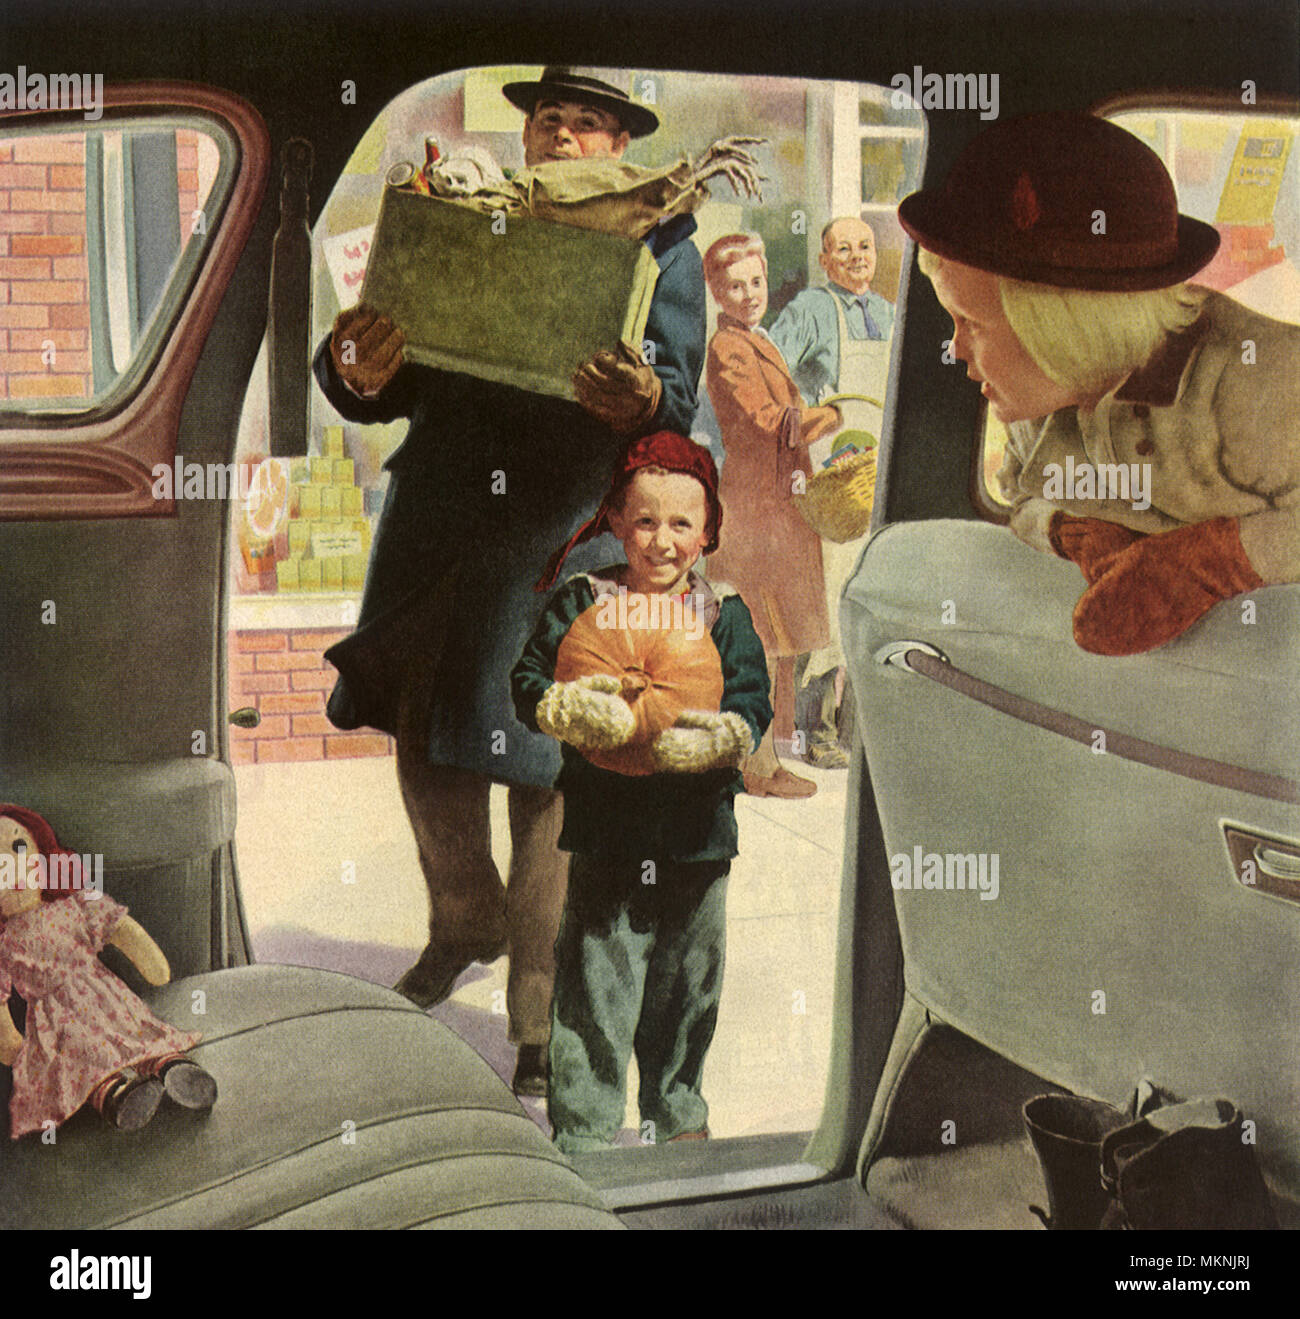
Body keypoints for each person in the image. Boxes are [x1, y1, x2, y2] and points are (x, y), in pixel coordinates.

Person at [312, 68, 707, 1097]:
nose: (562, 134)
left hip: (560, 529)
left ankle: (540, 1015)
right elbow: (388, 359)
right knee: (426, 737)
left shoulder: (662, 242)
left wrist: (644, 397)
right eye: (548, 118)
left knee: (545, 767)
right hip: (440, 520)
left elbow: (675, 400)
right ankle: (463, 922)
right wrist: (356, 367)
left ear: (619, 147)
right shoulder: (458, 211)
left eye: (587, 123)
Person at [897, 111, 1300, 655]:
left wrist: (1212, 560)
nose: (955, 347)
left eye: (970, 322)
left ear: (1062, 326)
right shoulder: (1038, 410)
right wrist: (1070, 532)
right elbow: (1023, 500)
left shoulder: (1258, 378)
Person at [511, 432, 771, 1152]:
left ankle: (676, 1113)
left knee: (687, 990)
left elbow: (752, 695)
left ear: (709, 530)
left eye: (682, 523)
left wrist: (727, 736)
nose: (662, 541)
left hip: (696, 840)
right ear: (617, 522)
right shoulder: (584, 602)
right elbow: (529, 678)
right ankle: (587, 1132)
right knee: (595, 985)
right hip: (607, 836)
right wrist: (559, 706)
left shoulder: (723, 613)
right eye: (645, 520)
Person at [701, 232, 841, 798]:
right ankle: (754, 767)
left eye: (756, 282)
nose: (749, 294)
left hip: (780, 505)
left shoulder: (757, 340)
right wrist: (820, 419)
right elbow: (766, 420)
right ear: (716, 292)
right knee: (757, 637)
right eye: (734, 286)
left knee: (782, 637)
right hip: (756, 509)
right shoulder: (729, 349)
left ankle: (772, 756)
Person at [768, 217, 895, 768]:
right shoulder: (811, 309)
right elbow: (773, 370)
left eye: (865, 246)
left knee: (874, 594)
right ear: (825, 259)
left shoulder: (890, 312)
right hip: (832, 474)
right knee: (827, 600)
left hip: (879, 470)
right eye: (843, 249)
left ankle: (856, 733)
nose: (858, 257)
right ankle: (811, 729)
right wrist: (809, 417)